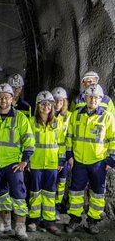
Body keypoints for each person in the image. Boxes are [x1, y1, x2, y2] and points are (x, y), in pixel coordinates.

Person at [0, 83, 34, 241]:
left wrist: (24, 161)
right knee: (1, 197)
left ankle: (20, 228)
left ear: (12, 98)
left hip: (13, 165)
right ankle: (4, 225)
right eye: (0, 96)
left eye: (7, 96)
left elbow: (29, 141)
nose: (3, 99)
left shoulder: (20, 118)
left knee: (19, 196)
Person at [65, 84, 115, 235]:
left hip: (98, 163)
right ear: (85, 98)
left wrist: (110, 161)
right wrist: (69, 156)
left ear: (100, 99)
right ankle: (74, 219)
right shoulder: (75, 115)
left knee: (98, 193)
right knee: (75, 192)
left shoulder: (108, 117)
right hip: (79, 161)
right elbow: (69, 137)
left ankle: (93, 221)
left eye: (96, 97)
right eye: (90, 97)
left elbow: (114, 139)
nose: (93, 100)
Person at [27, 91, 65, 236]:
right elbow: (27, 143)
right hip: (35, 163)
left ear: (52, 106)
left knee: (49, 193)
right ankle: (34, 220)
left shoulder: (57, 123)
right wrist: (27, 161)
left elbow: (61, 143)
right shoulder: (31, 122)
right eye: (43, 104)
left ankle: (49, 222)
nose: (46, 106)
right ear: (38, 106)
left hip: (52, 164)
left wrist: (61, 160)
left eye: (49, 104)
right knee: (35, 192)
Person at [52, 86, 71, 219]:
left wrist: (69, 157)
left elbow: (71, 138)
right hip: (50, 155)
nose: (58, 103)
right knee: (50, 182)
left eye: (61, 101)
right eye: (55, 100)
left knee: (61, 182)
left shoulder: (70, 116)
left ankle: (57, 207)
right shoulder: (47, 114)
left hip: (64, 156)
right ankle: (49, 207)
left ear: (65, 102)